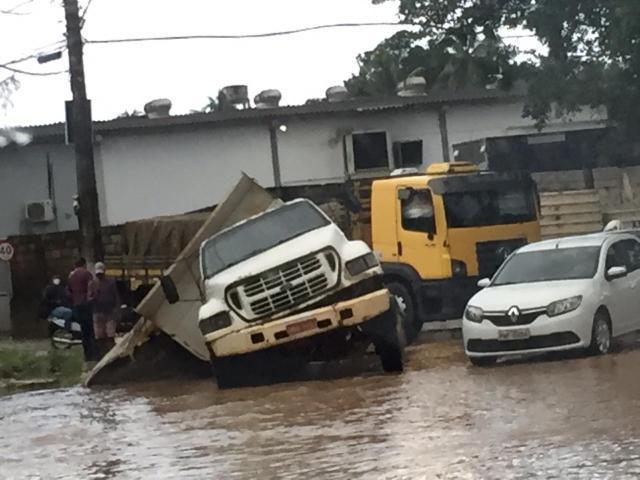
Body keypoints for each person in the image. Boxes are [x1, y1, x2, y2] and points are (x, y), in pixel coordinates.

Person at [88, 262, 120, 358]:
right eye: (98, 274)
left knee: (110, 335)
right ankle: (102, 355)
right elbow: (89, 299)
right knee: (100, 336)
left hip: (109, 311)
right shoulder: (92, 284)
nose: (100, 275)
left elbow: (116, 297)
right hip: (98, 311)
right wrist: (94, 297)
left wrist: (117, 309)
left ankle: (112, 356)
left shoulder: (111, 282)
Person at [68, 257, 96, 361]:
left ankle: (86, 355)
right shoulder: (87, 273)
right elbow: (90, 286)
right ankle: (93, 354)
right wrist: (90, 298)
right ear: (84, 264)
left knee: (83, 331)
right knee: (90, 330)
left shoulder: (71, 275)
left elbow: (69, 291)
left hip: (76, 305)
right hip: (86, 304)